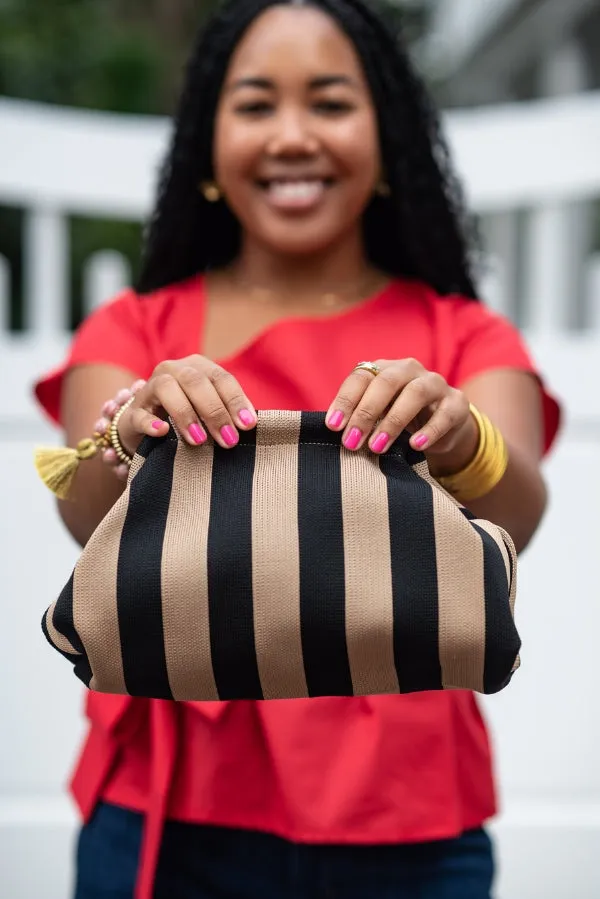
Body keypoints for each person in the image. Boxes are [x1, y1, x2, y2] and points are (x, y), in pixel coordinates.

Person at [35, 0, 560, 896]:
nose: (291, 136)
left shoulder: (460, 332)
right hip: (172, 814)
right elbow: (85, 516)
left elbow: (520, 511)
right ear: (207, 145)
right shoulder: (138, 327)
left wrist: (463, 434)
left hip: (410, 817)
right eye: (254, 105)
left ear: (387, 139)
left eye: (329, 102)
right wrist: (129, 430)